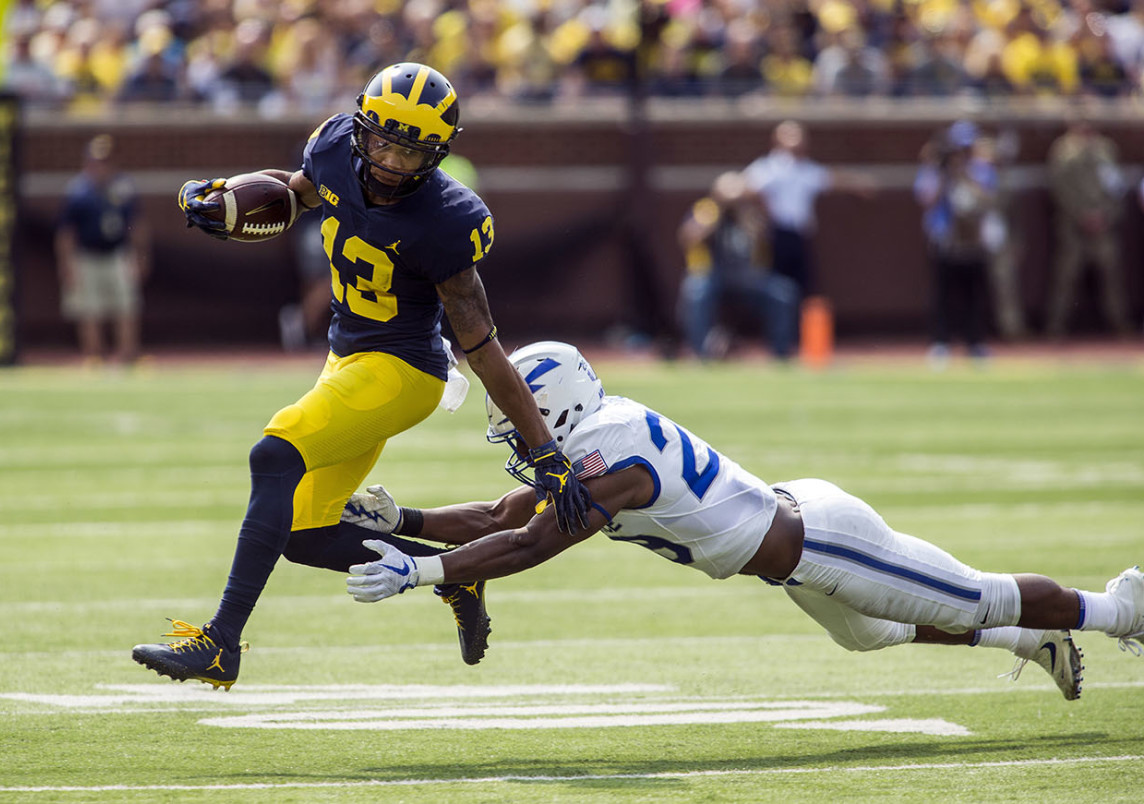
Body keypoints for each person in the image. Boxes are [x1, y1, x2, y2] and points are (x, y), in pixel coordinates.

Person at [344, 341, 1144, 702]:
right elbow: (502, 513)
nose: (519, 437)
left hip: (823, 541)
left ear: (554, 408)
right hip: (791, 543)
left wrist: (419, 570)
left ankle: (1120, 608)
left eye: (522, 421)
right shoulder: (594, 439)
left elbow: (528, 542)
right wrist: (405, 516)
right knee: (867, 636)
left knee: (977, 596)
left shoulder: (612, 458)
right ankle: (1029, 641)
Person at [131, 63, 592, 689]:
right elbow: (299, 192)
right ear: (360, 128)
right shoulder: (331, 147)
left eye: (411, 152)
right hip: (344, 359)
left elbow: (483, 347)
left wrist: (546, 452)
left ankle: (220, 645)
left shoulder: (447, 218)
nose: (391, 161)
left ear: (436, 155)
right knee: (304, 533)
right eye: (382, 141)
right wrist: (226, 195)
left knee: (274, 453)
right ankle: (460, 574)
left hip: (404, 372)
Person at [741, 120, 875, 301]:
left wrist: (858, 184)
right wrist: (762, 210)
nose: (795, 138)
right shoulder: (766, 167)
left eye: (799, 134)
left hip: (801, 235)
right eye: (789, 134)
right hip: (775, 235)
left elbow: (830, 179)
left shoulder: (806, 169)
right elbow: (745, 188)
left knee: (805, 289)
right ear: (776, 138)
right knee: (777, 288)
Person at [677, 170, 799, 361]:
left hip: (748, 276)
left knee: (782, 292)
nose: (733, 201)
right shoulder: (706, 211)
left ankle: (781, 353)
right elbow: (688, 238)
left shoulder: (750, 213)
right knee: (696, 290)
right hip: (713, 274)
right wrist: (714, 216)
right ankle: (700, 354)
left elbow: (766, 238)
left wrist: (746, 217)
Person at [53, 134, 149, 365]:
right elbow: (66, 232)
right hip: (87, 255)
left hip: (117, 254)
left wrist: (141, 256)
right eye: (96, 162)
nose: (101, 167)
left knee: (126, 306)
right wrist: (66, 263)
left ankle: (127, 355)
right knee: (89, 309)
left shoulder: (123, 187)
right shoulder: (78, 191)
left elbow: (137, 225)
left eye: (105, 162)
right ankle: (94, 356)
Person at [913, 120, 996, 366]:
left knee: (974, 294)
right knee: (942, 294)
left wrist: (964, 175)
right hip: (945, 238)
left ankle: (975, 343)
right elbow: (925, 198)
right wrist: (942, 172)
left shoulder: (981, 169)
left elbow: (988, 199)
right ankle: (941, 342)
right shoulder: (935, 170)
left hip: (973, 239)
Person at [1045, 115, 1132, 340]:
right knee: (1067, 275)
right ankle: (1055, 326)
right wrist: (1081, 215)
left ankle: (1120, 323)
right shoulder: (1063, 149)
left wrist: (1106, 216)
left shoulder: (1106, 149)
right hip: (1073, 225)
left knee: (1111, 274)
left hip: (1104, 224)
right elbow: (1060, 188)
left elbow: (1116, 187)